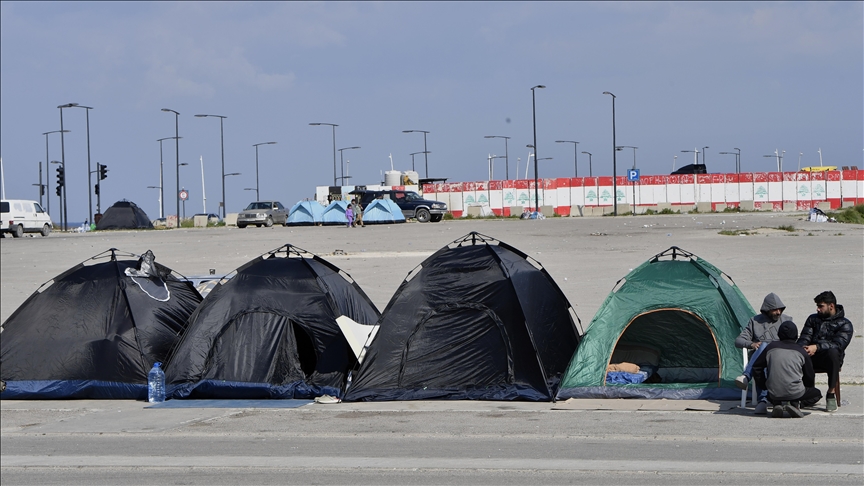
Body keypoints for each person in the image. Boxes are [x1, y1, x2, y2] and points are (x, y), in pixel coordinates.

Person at [734, 292, 793, 414]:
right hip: (760, 359)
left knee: (766, 348)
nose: (778, 312)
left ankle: (747, 377)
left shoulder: (786, 320)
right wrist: (752, 344)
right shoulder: (755, 321)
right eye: (775, 310)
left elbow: (792, 340)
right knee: (763, 354)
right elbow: (738, 341)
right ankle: (763, 401)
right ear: (767, 309)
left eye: (780, 309)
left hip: (779, 356)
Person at [796, 291, 853, 412]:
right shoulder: (812, 319)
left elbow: (839, 345)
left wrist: (817, 347)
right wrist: (804, 348)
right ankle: (808, 393)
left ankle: (831, 393)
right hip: (811, 356)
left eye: (820, 306)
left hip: (830, 359)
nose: (817, 309)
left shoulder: (845, 324)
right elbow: (804, 337)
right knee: (799, 353)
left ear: (831, 306)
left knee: (833, 352)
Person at [751, 321, 822, 418]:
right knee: (817, 393)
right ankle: (795, 405)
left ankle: (777, 404)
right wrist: (806, 386)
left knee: (775, 391)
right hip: (795, 392)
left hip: (773, 392)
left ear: (779, 334)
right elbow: (810, 375)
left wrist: (763, 385)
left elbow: (757, 367)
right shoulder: (801, 351)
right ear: (796, 335)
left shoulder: (770, 347)